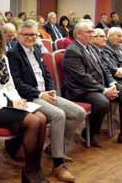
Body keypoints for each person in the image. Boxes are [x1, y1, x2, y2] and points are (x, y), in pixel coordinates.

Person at [0, 23, 48, 182]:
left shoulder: (2, 58)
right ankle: (29, 172)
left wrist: (18, 100)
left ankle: (34, 169)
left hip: (5, 105)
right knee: (33, 121)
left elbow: (10, 86)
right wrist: (9, 103)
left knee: (42, 118)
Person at [8, 20, 85, 182]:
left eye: (33, 35)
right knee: (58, 115)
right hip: (30, 97)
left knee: (79, 113)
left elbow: (47, 74)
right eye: (26, 34)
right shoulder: (13, 54)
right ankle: (58, 163)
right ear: (18, 35)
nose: (30, 38)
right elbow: (17, 83)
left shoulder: (36, 49)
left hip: (45, 94)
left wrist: (51, 91)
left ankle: (55, 148)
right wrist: (40, 94)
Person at [63, 20, 122, 147]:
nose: (92, 34)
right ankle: (89, 133)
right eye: (89, 32)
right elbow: (82, 78)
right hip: (81, 89)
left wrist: (112, 83)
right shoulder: (73, 51)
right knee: (102, 102)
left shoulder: (90, 47)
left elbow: (104, 68)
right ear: (79, 34)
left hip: (97, 86)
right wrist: (104, 90)